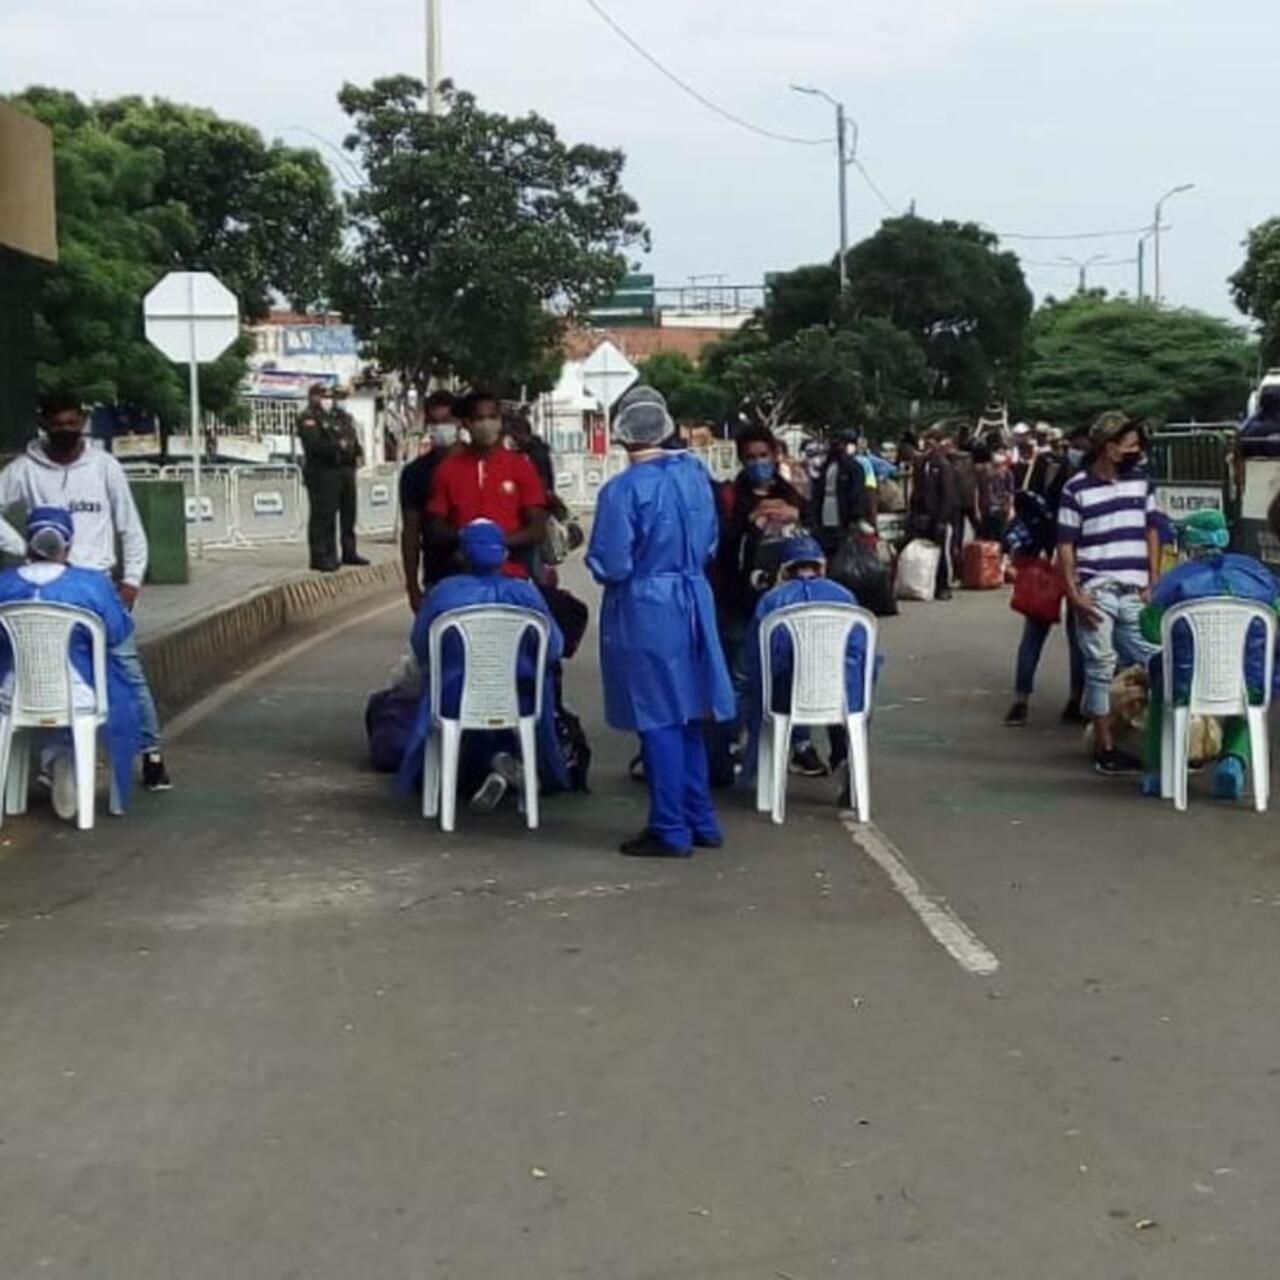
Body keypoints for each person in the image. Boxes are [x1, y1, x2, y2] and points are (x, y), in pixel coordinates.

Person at [0, 392, 170, 791]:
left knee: (126, 671)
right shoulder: (24, 470)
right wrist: (18, 546)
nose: (66, 431)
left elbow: (130, 527)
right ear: (43, 424)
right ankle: (55, 759)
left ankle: (151, 754)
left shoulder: (104, 466)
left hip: (98, 587)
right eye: (58, 424)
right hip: (47, 585)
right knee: (48, 673)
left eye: (73, 423)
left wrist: (131, 582)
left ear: (83, 423)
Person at [587, 398, 735, 857]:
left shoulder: (623, 490)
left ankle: (670, 827)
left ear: (622, 432)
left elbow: (612, 562)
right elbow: (711, 540)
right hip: (694, 595)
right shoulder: (693, 478)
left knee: (657, 719)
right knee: (689, 712)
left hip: (647, 605)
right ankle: (700, 817)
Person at [396, 519, 568, 809]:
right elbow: (554, 649)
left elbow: (421, 647)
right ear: (503, 555)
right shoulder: (526, 593)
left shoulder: (443, 593)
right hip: (518, 698)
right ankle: (509, 764)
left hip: (454, 697)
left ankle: (481, 769)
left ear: (461, 556)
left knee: (446, 721)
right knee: (525, 703)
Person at [0, 508, 142, 820]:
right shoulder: (91, 584)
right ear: (68, 546)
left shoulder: (4, 584)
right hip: (80, 692)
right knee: (123, 693)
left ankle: (54, 759)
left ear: (28, 544)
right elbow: (117, 632)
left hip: (14, 694)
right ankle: (68, 758)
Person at [1138, 509, 1280, 799]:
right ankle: (1233, 760)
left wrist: (1149, 602)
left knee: (1157, 681)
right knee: (1253, 694)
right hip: (1246, 677)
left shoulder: (1175, 579)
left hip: (1185, 683)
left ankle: (1157, 771)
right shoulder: (1256, 572)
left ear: (1190, 541)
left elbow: (1151, 632)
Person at [1057, 411, 1162, 775]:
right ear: (1109, 447)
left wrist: (1153, 580)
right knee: (1100, 668)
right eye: (1130, 444)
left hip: (1133, 590)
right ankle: (1105, 748)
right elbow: (1066, 546)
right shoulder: (1076, 489)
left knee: (1154, 658)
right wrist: (1074, 594)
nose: (1136, 451)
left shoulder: (1141, 484)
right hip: (1096, 591)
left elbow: (1152, 532)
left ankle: (1157, 737)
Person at [714, 426, 820, 776]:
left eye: (764, 456)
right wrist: (752, 522)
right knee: (741, 674)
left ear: (776, 455)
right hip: (740, 599)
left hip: (787, 601)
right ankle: (736, 742)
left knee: (791, 669)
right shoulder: (730, 496)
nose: (759, 463)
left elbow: (815, 540)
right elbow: (721, 548)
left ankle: (799, 742)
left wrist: (795, 515)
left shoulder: (792, 493)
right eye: (751, 457)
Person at [741, 536, 875, 805]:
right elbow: (861, 653)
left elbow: (757, 659)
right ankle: (846, 759)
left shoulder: (772, 602)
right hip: (842, 696)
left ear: (783, 569)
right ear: (821, 566)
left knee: (762, 687)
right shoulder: (845, 598)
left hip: (786, 698)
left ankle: (768, 776)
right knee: (859, 683)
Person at [1003, 425, 1089, 727]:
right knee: (1077, 635)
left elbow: (1027, 514)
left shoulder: (1043, 471)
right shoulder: (1086, 482)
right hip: (1078, 562)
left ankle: (1020, 700)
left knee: (1034, 632)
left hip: (1045, 560)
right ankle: (1076, 699)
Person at [427, 390, 548, 579]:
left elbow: (536, 529)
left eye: (492, 417)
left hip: (513, 575)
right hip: (462, 576)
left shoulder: (520, 466)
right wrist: (468, 539)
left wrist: (496, 543)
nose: (487, 424)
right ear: (467, 423)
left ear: (500, 422)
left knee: (562, 608)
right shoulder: (447, 470)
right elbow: (436, 528)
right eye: (480, 418)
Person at [399, 391, 459, 612]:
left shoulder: (478, 463)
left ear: (459, 422)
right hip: (438, 577)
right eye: (434, 423)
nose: (441, 428)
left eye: (446, 422)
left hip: (484, 576)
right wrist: (412, 587)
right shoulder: (415, 473)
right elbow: (411, 532)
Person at [908, 428, 961, 600]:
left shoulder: (944, 466)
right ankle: (924, 584)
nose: (929, 446)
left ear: (939, 444)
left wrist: (943, 519)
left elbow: (949, 495)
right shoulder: (921, 463)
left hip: (937, 515)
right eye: (927, 442)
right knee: (923, 551)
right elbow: (917, 489)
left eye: (932, 442)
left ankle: (942, 586)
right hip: (921, 514)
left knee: (939, 553)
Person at [297, 383, 344, 572]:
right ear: (313, 396)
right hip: (318, 472)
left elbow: (338, 437)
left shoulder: (327, 417)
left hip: (332, 471)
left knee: (331, 514)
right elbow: (314, 445)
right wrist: (336, 446)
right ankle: (318, 556)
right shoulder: (307, 417)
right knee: (320, 515)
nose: (324, 400)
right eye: (321, 396)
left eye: (327, 396)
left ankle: (331, 554)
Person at [329, 386, 369, 567]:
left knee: (349, 514)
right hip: (334, 469)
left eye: (344, 397)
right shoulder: (328, 419)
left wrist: (359, 453)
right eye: (339, 397)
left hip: (349, 469)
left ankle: (349, 552)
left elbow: (354, 440)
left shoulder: (348, 419)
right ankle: (329, 554)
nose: (342, 400)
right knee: (331, 514)